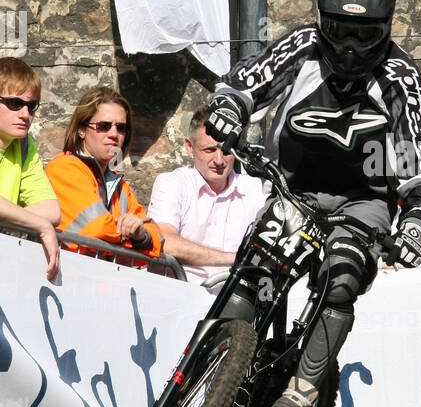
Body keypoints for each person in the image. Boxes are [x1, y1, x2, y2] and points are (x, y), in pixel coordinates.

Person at [206, 0, 421, 407]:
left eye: (365, 33)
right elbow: (244, 84)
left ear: (386, 29)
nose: (352, 47)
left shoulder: (401, 76)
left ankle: (301, 392)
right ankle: (211, 389)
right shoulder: (303, 46)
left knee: (343, 277)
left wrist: (417, 222)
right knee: (254, 277)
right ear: (321, 20)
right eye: (340, 29)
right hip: (295, 189)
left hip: (364, 200)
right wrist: (229, 109)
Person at [147, 106, 268, 284]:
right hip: (180, 293)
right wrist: (235, 259)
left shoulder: (255, 189)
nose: (219, 160)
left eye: (227, 151)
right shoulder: (172, 183)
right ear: (190, 148)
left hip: (235, 299)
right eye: (209, 150)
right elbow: (165, 243)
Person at [46, 85, 163, 260]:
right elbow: (95, 228)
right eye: (104, 126)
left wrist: (141, 235)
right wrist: (134, 236)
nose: (114, 134)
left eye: (121, 127)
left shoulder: (120, 186)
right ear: (81, 130)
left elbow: (156, 239)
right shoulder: (64, 168)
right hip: (63, 280)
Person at [0, 56, 61, 280]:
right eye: (14, 104)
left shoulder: (24, 143)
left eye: (31, 105)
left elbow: (51, 210)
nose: (25, 114)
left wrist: (7, 214)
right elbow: (44, 219)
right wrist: (40, 226)